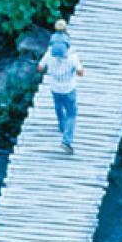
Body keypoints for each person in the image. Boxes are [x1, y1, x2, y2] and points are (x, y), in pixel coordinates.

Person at [37, 18, 84, 154]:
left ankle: (62, 126)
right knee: (72, 113)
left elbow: (40, 68)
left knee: (58, 106)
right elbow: (80, 73)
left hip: (54, 88)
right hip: (68, 89)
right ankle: (66, 141)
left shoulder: (49, 54)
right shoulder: (72, 57)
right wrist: (80, 65)